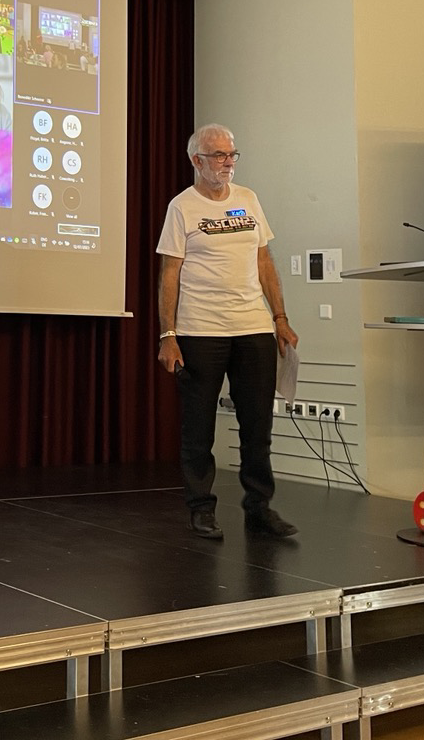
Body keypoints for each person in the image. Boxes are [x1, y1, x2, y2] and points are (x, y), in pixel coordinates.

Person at [156, 124, 299, 541]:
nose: (227, 162)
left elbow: (264, 261)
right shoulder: (182, 207)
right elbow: (170, 273)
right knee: (199, 427)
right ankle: (201, 508)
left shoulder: (248, 199)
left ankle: (259, 508)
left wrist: (280, 317)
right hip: (200, 331)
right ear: (196, 160)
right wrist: (168, 335)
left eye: (232, 154)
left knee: (258, 425)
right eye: (218, 155)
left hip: (252, 327)